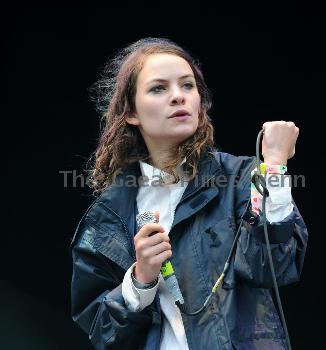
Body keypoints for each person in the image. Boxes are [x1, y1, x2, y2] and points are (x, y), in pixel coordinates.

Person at [70, 37, 308, 350]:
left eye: (187, 85)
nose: (178, 97)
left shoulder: (239, 177)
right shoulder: (108, 216)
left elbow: (276, 266)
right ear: (131, 113)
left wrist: (274, 166)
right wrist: (140, 280)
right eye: (158, 88)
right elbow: (102, 332)